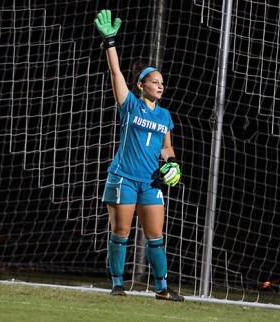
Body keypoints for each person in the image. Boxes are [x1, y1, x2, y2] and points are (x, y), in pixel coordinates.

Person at [94, 9, 184, 302]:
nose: (160, 85)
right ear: (141, 85)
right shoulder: (130, 105)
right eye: (155, 81)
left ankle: (162, 288)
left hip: (150, 182)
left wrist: (172, 164)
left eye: (162, 81)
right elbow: (115, 73)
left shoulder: (166, 116)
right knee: (121, 232)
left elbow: (166, 147)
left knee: (156, 237)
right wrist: (110, 43)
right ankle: (118, 284)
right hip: (124, 178)